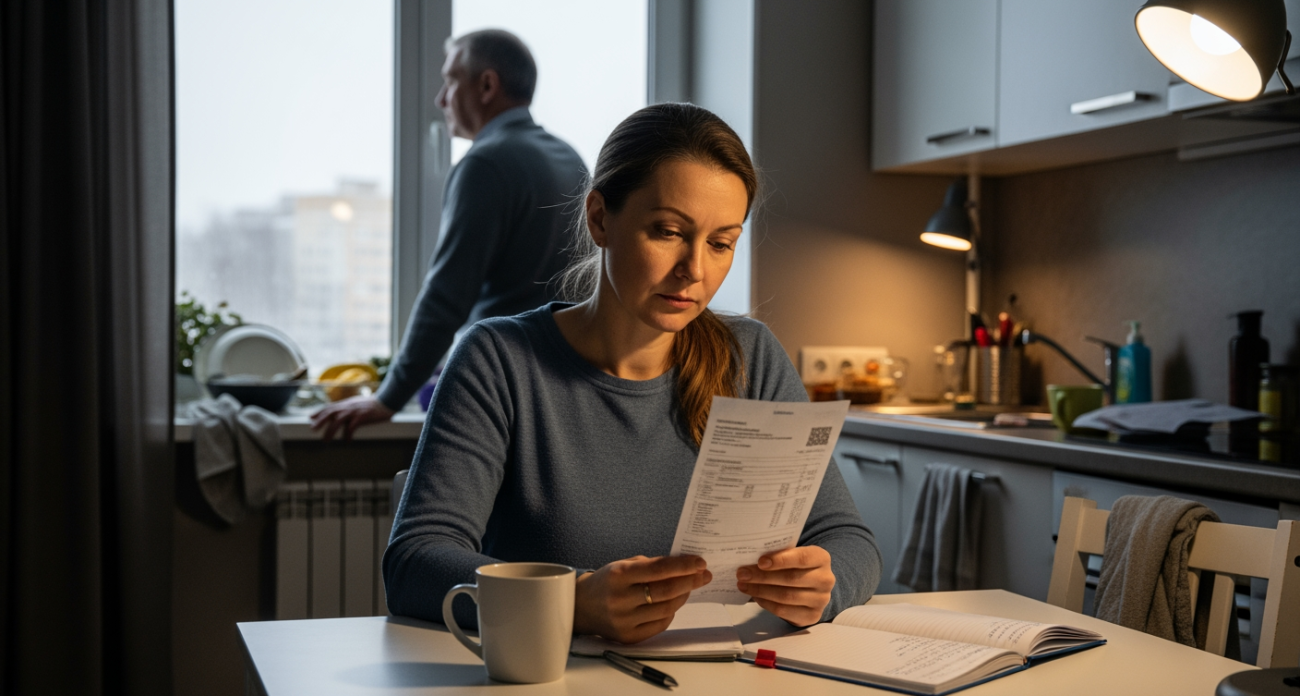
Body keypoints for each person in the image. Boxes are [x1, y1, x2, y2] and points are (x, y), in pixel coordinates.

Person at [384, 103, 881, 644]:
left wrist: (822, 585)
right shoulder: (499, 359)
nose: (694, 269)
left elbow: (847, 540)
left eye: (721, 243)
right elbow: (414, 562)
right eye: (668, 232)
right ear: (600, 218)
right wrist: (572, 601)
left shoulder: (751, 358)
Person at [311, 29, 586, 440]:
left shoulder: (487, 164)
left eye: (451, 80)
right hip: (569, 389)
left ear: (487, 85)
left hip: (502, 390)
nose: (441, 99)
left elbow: (446, 296)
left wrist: (388, 398)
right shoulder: (570, 158)